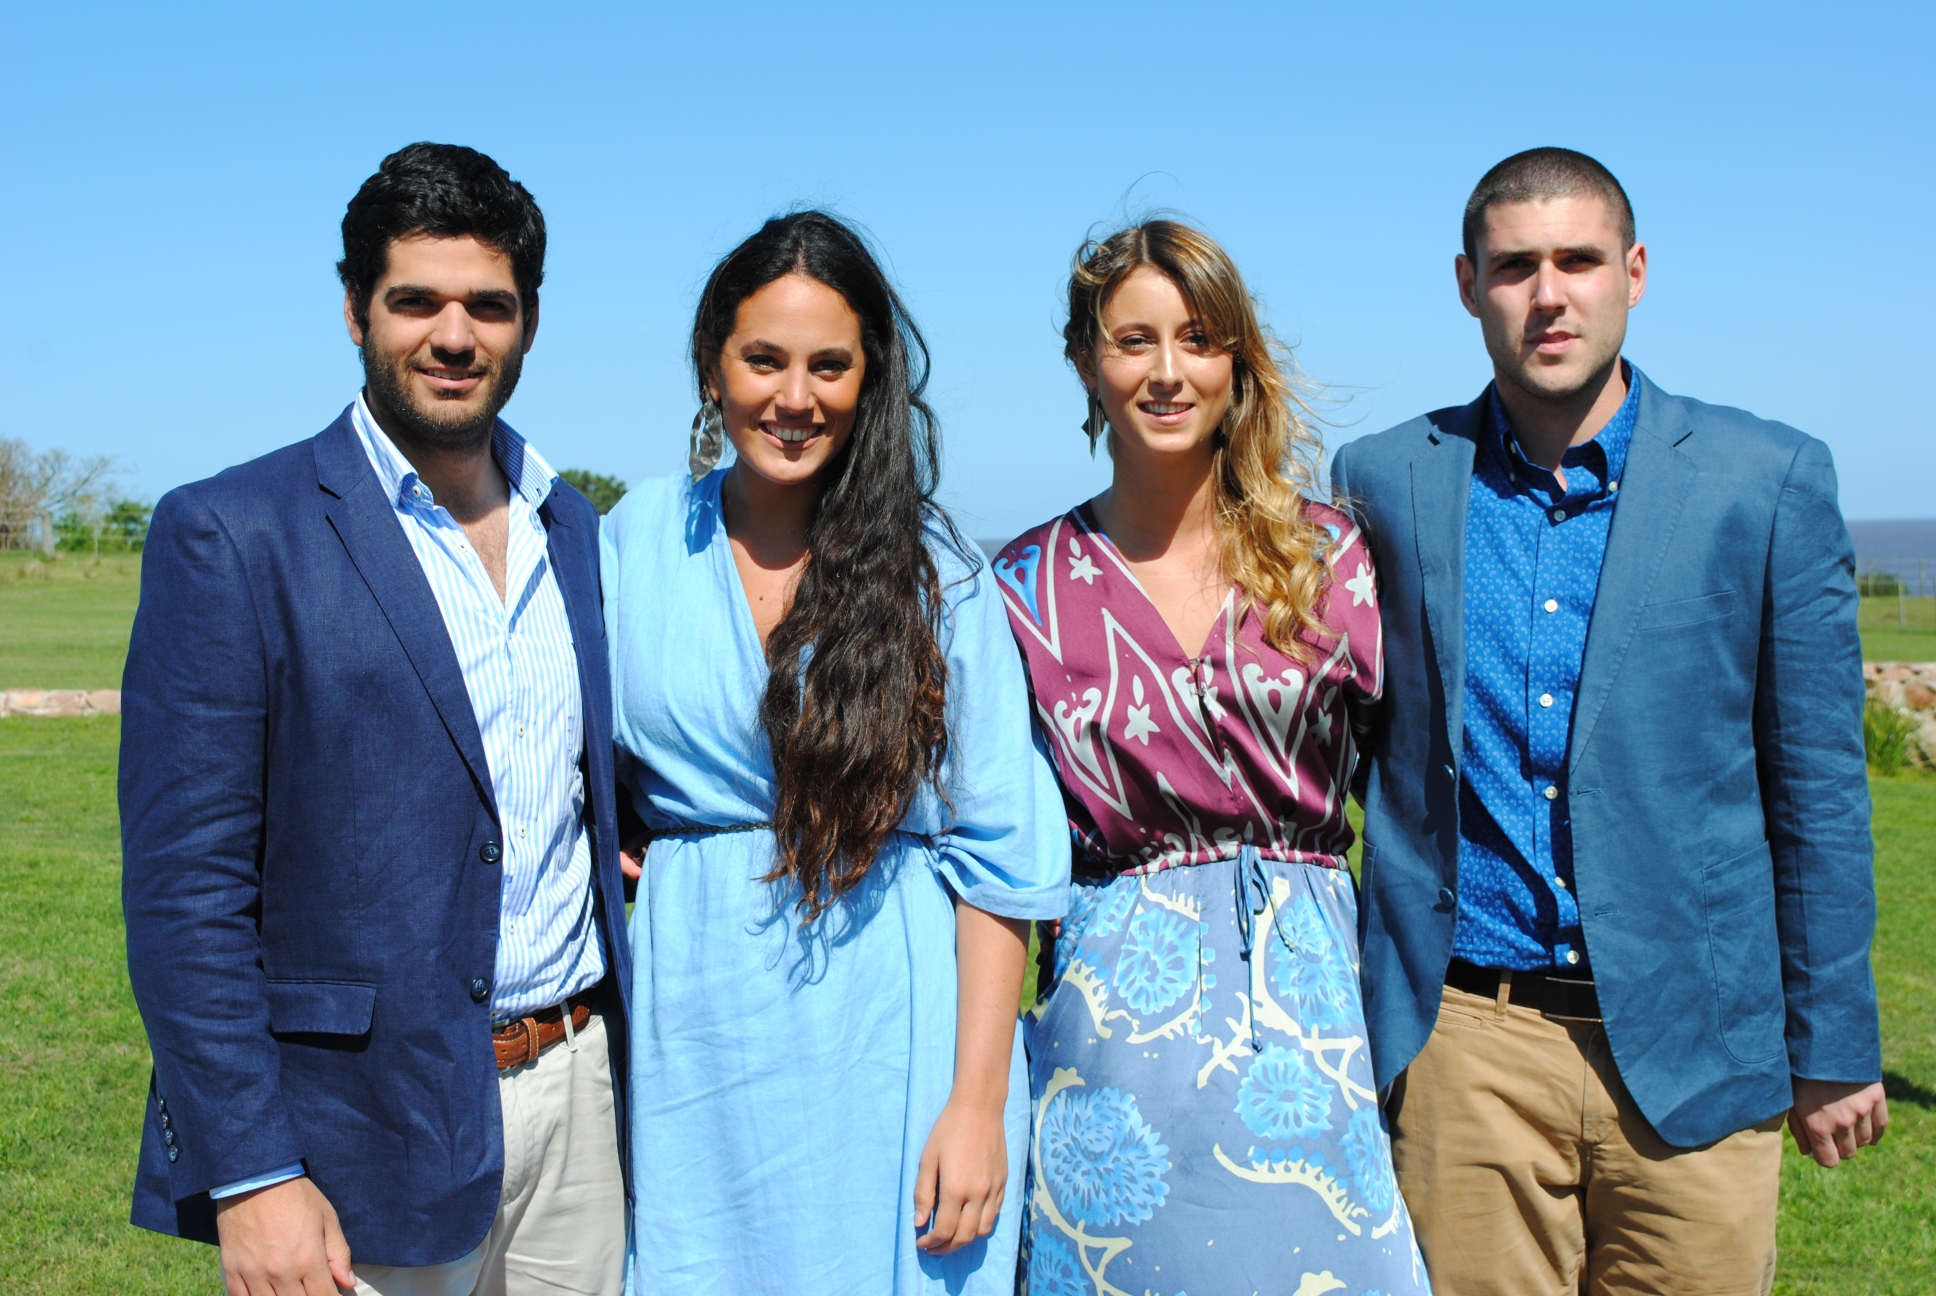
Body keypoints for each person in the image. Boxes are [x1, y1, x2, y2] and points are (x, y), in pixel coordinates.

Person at [1330, 147, 1886, 1294]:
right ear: (1466, 283)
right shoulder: (1385, 479)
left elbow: (1819, 784)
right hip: (1465, 1046)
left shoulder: (1762, 479)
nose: (1548, 293)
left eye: (1578, 261)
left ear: (1632, 272)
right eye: (1514, 266)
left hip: (1696, 1043)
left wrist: (1832, 1045)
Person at [121, 143, 631, 1296]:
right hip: (352, 1143)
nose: (454, 336)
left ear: (529, 323)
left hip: (579, 1108)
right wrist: (252, 1173)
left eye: (487, 306)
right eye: (417, 301)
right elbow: (184, 893)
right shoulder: (232, 533)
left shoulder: (578, 534)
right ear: (355, 311)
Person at [601, 210, 1068, 1294]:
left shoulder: (934, 568)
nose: (794, 398)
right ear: (712, 365)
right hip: (698, 1021)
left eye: (829, 366)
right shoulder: (635, 535)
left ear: (871, 381)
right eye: (763, 359)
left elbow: (998, 850)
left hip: (888, 1026)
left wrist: (976, 1103)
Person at [996, 220, 1427, 1296]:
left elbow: (1420, 812)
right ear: (1086, 363)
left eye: (1197, 338)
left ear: (1235, 360)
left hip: (1316, 1033)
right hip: (1111, 1045)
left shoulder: (1330, 558)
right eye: (1132, 340)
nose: (1166, 370)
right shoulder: (1021, 591)